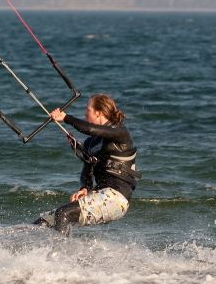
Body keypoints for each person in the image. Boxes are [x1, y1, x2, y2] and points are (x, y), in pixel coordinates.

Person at [34, 94, 140, 235]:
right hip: (100, 195)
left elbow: (90, 129)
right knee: (44, 222)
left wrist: (66, 118)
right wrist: (85, 187)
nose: (84, 113)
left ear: (99, 112)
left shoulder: (120, 133)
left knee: (63, 213)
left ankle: (58, 254)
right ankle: (28, 253)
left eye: (87, 109)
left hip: (116, 199)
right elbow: (87, 168)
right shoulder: (91, 143)